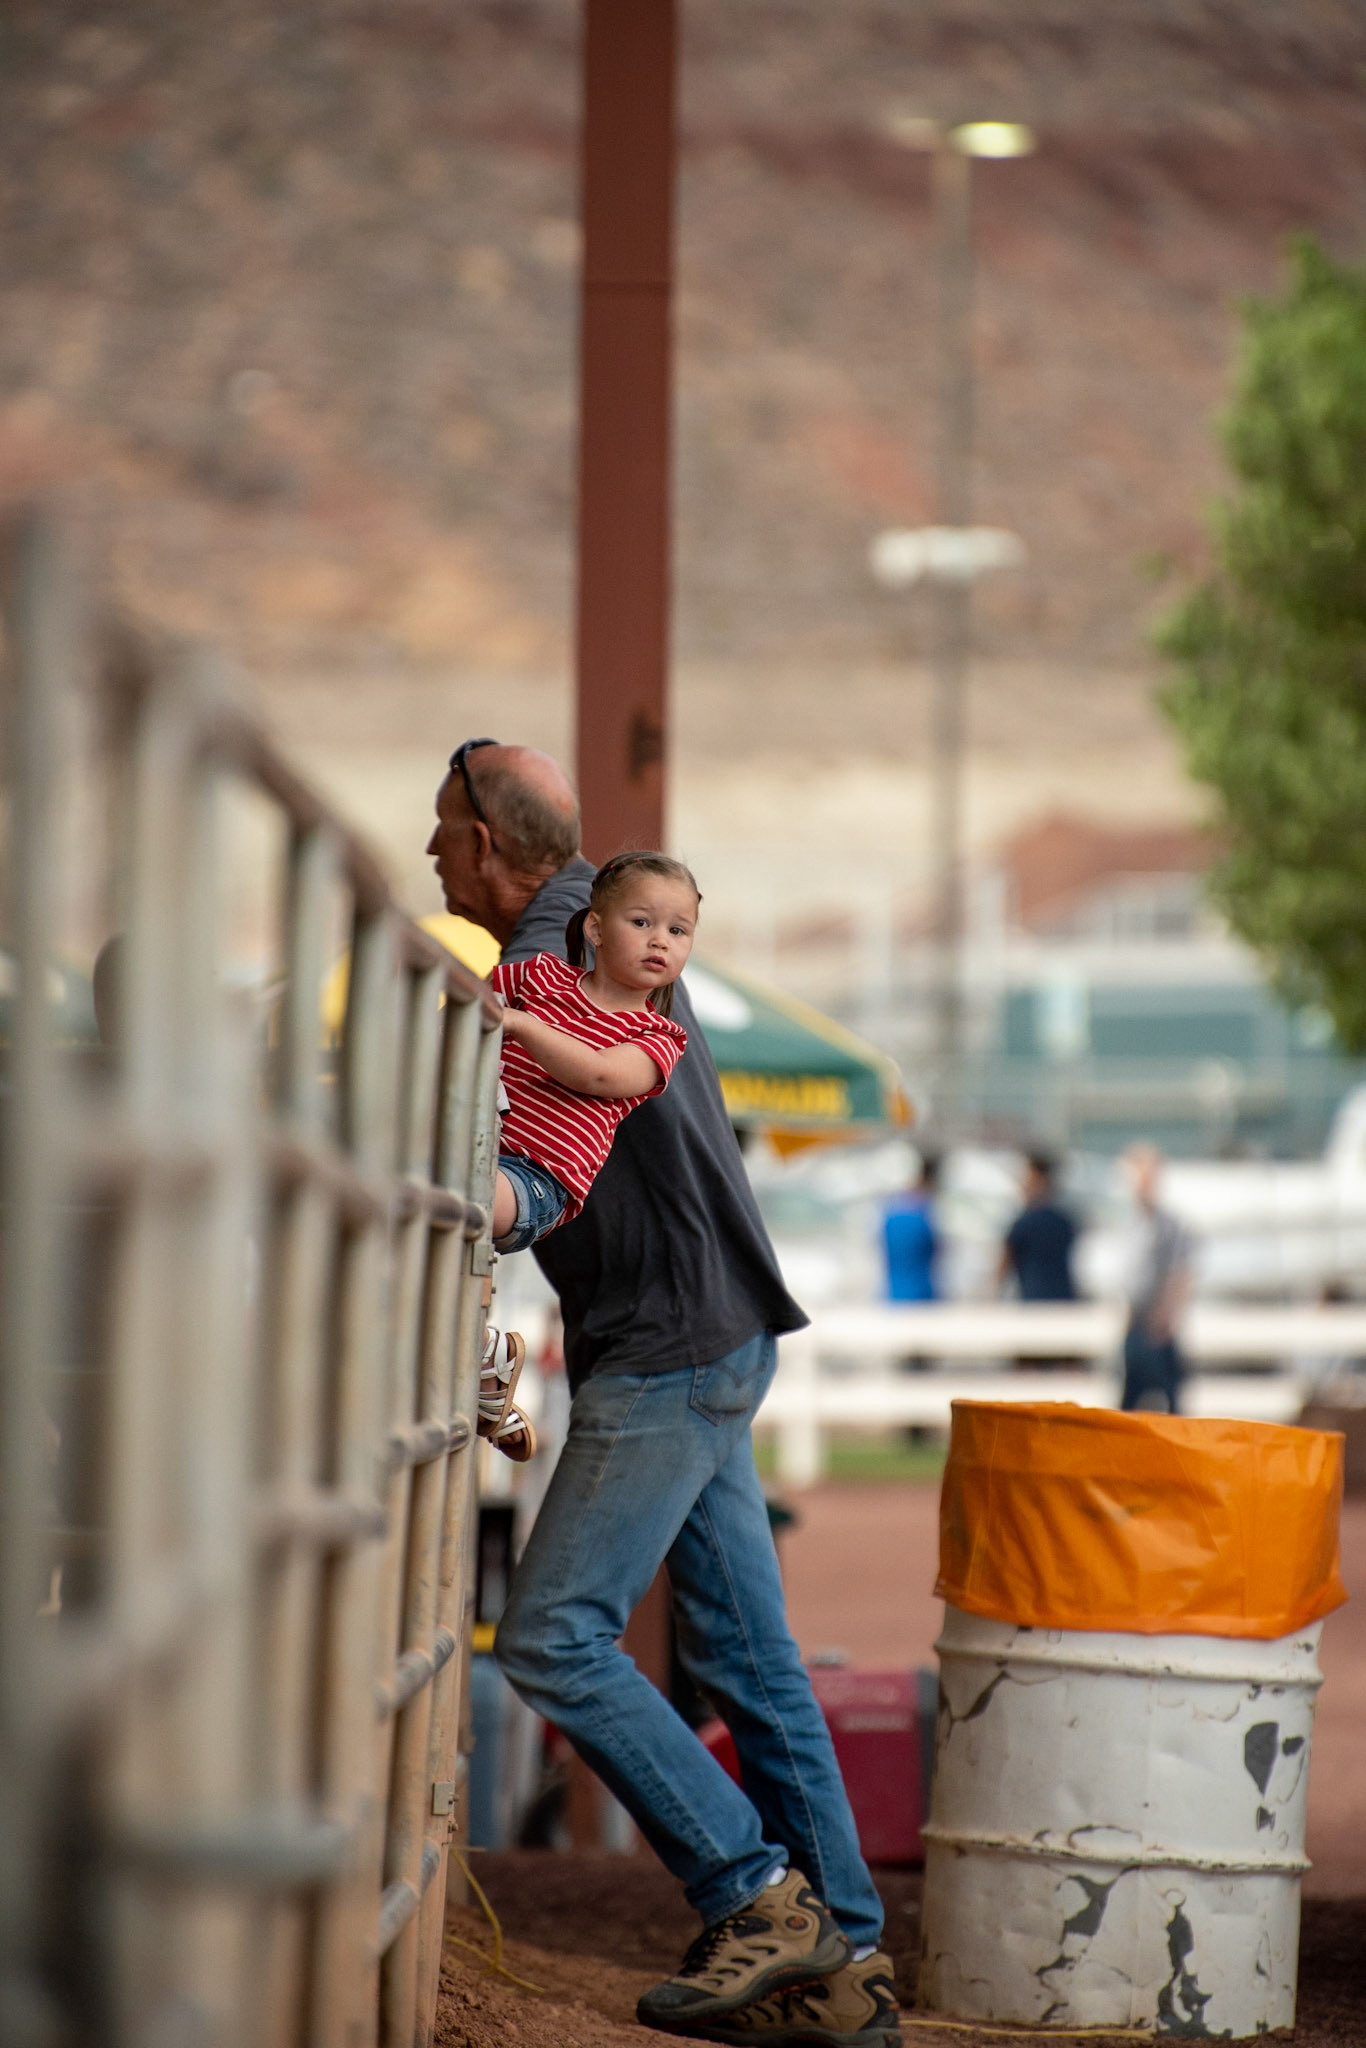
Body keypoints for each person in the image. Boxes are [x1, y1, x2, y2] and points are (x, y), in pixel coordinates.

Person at [427, 739, 899, 2048]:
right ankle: (843, 1961)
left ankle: (754, 1891)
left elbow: (537, 1146)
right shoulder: (615, 926)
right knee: (751, 1659)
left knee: (550, 1640)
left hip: (668, 1340)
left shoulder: (563, 946)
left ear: (480, 840)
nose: (426, 856)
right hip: (713, 1327)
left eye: (437, 832)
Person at [477, 851, 696, 1461]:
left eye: (678, 931)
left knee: (458, 1194)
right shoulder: (538, 976)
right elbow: (466, 1018)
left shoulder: (658, 1038)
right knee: (420, 1216)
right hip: (478, 1145)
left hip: (538, 1179)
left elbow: (600, 1074)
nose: (661, 941)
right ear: (595, 928)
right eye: (642, 923)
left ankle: (475, 1354)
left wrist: (518, 1026)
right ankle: (481, 1361)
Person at [1118, 1143, 1192, 1414]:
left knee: (1170, 1404)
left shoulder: (1168, 1225)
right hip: (1135, 1323)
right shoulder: (1132, 1223)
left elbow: (1180, 1273)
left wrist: (1166, 1314)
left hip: (1156, 1326)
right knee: (1129, 1402)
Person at [882, 1154, 939, 1303]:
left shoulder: (891, 1216)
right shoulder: (923, 1216)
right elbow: (934, 1251)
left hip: (895, 1294)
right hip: (920, 1292)